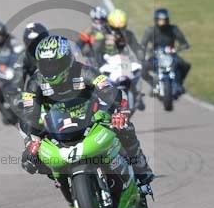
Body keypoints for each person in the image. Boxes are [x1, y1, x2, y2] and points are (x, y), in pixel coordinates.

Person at [19, 35, 155, 187]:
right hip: (57, 124)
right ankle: (60, 178)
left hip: (91, 116)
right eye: (45, 65)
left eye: (55, 64)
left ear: (66, 59)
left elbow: (108, 90)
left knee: (124, 126)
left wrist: (119, 110)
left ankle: (141, 168)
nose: (50, 70)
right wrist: (31, 140)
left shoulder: (85, 71)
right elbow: (28, 112)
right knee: (30, 154)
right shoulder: (35, 82)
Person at [94, 8, 146, 110]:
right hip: (108, 61)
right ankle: (99, 99)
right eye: (116, 28)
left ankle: (137, 94)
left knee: (137, 71)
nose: (119, 31)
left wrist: (141, 56)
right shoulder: (102, 34)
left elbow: (136, 47)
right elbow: (97, 50)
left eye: (122, 28)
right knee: (98, 81)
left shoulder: (128, 34)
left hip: (124, 59)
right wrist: (99, 62)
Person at [140, 8, 191, 90]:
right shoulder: (150, 30)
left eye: (164, 20)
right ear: (156, 20)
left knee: (185, 66)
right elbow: (142, 45)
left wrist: (177, 49)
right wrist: (146, 51)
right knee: (142, 69)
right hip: (155, 56)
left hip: (171, 55)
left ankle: (178, 83)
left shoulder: (174, 29)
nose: (162, 22)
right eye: (160, 20)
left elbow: (184, 44)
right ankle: (153, 83)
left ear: (168, 20)